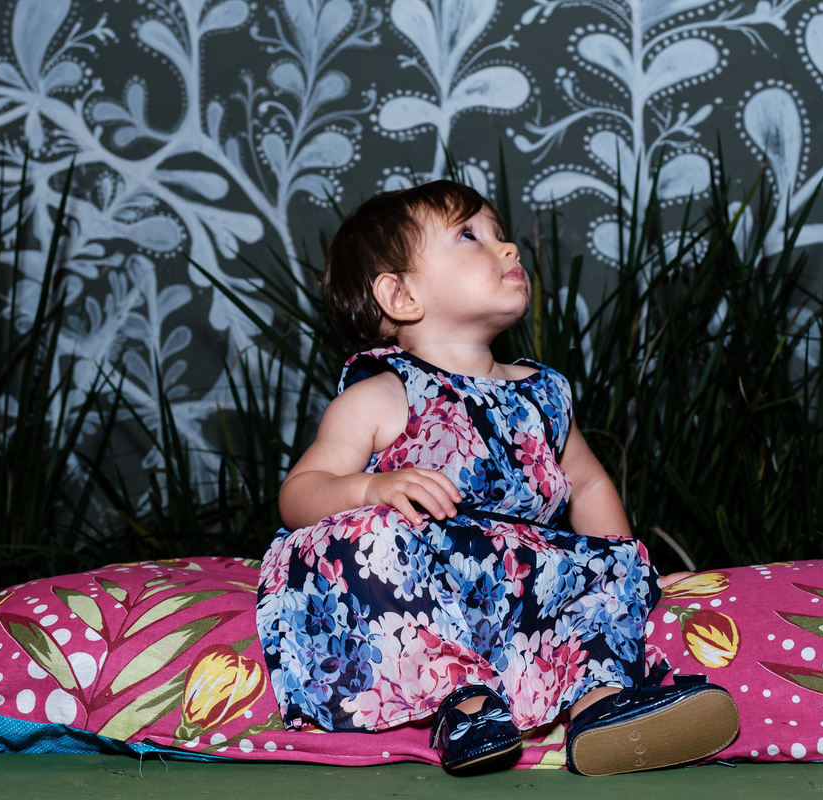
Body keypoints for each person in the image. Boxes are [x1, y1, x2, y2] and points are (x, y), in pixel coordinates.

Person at [255, 180, 738, 776]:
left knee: (609, 566)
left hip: (518, 584)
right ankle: (467, 705)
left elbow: (586, 486)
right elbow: (300, 493)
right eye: (470, 236)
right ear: (400, 295)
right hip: (422, 580)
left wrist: (620, 568)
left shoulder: (543, 392)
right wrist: (370, 489)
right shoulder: (382, 395)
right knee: (360, 538)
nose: (508, 249)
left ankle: (601, 705)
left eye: (501, 234)